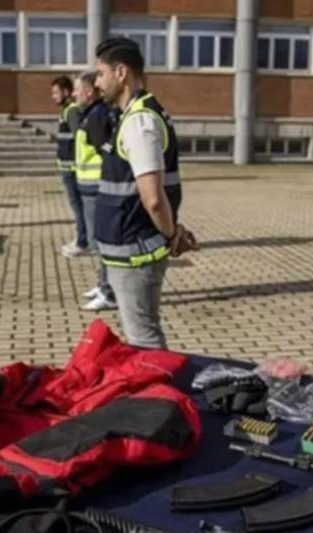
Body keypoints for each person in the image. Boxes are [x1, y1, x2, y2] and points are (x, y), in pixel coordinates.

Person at [94, 38, 197, 349]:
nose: (97, 83)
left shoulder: (140, 122)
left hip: (135, 253)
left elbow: (152, 198)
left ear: (121, 72)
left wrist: (172, 234)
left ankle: (161, 382)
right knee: (141, 338)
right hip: (128, 249)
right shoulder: (133, 115)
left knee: (144, 341)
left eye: (101, 74)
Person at [73, 71, 117, 311]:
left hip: (97, 187)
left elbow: (106, 151)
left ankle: (108, 292)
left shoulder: (97, 116)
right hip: (90, 187)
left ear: (89, 92)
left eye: (77, 89)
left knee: (99, 242)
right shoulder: (91, 114)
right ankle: (103, 284)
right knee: (96, 241)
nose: (73, 94)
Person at [51, 76, 89, 257]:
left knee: (78, 205)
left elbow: (80, 137)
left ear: (66, 92)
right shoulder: (68, 110)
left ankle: (82, 242)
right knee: (77, 205)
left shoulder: (72, 111)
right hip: (68, 167)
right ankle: (81, 238)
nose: (53, 96)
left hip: (72, 169)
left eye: (56, 92)